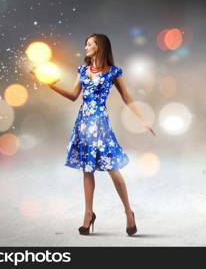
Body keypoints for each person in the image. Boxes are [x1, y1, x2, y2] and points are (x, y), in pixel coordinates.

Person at [30, 33, 156, 236]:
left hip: (100, 123)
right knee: (86, 169)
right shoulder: (82, 70)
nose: (86, 47)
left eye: (90, 44)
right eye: (86, 44)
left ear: (100, 47)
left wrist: (142, 119)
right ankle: (88, 215)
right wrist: (50, 84)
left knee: (112, 168)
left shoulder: (113, 72)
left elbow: (128, 99)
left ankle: (128, 212)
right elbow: (73, 96)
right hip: (83, 123)